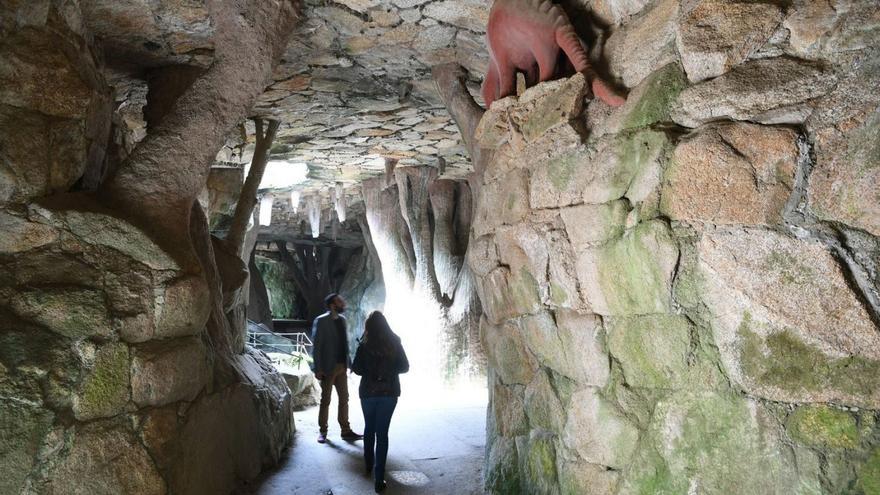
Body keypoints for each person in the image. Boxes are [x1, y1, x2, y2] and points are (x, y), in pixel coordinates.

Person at [351, 311, 409, 493]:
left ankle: (368, 463)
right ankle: (379, 478)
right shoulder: (395, 342)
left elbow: (357, 369)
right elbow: (405, 367)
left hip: (368, 393)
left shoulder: (364, 345)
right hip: (389, 393)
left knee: (369, 427)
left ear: (368, 327)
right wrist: (389, 371)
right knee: (382, 434)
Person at [311, 293, 362, 444]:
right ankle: (323, 431)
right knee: (325, 400)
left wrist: (350, 363)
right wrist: (317, 368)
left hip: (341, 366)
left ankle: (345, 430)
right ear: (333, 305)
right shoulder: (321, 321)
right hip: (327, 367)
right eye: (340, 302)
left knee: (344, 398)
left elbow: (345, 344)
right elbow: (317, 346)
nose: (343, 304)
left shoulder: (343, 320)